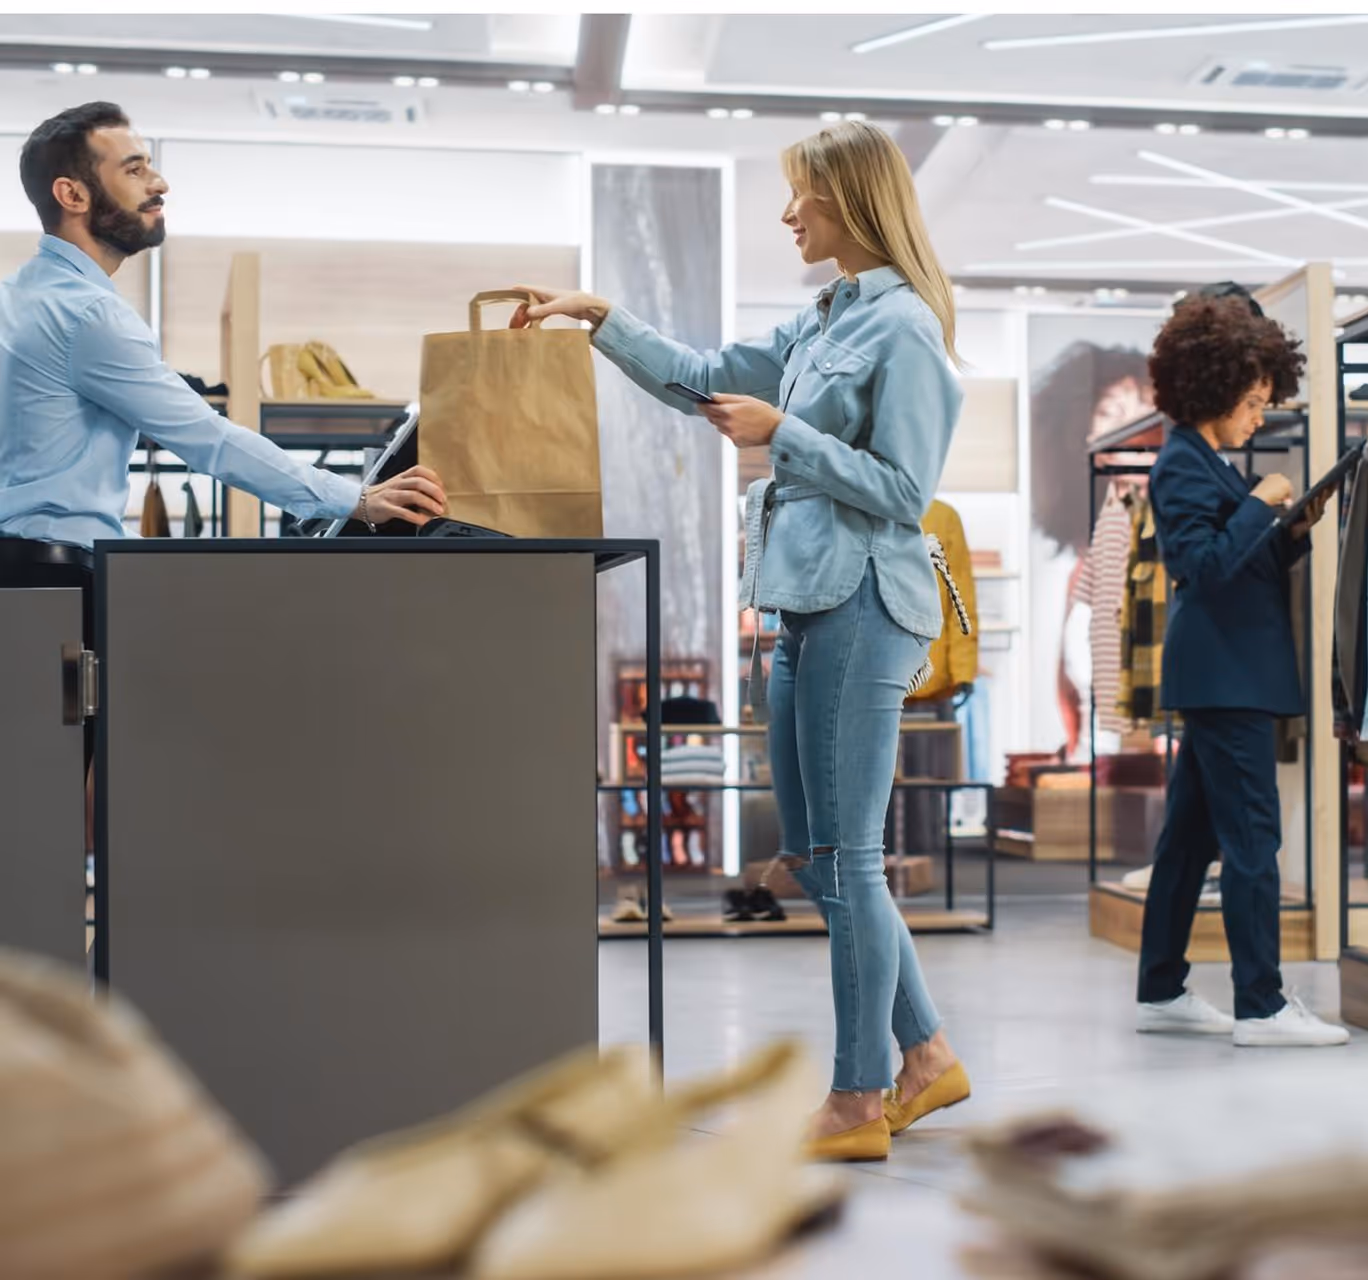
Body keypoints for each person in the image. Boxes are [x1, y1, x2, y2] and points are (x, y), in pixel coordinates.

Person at [511, 120, 971, 1160]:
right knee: (810, 855)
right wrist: (601, 318)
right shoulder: (824, 320)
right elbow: (706, 377)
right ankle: (928, 1051)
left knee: (848, 857)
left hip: (864, 600)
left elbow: (907, 495)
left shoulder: (903, 331)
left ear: (850, 200)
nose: (788, 213)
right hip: (806, 603)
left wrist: (786, 434)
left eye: (801, 195)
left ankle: (859, 1099)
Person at [0, 102, 447, 849]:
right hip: (49, 586)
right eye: (135, 168)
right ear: (71, 195)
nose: (159, 182)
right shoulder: (87, 316)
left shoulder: (19, 299)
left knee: (27, 833)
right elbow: (205, 437)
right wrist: (356, 499)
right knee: (43, 841)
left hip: (21, 579)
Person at [1135, 294, 1349, 1047]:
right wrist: (1262, 505)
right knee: (1253, 839)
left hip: (1227, 674)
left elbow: (1237, 559)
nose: (1260, 416)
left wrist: (1290, 531)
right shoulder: (1182, 464)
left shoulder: (1203, 460)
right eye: (1254, 402)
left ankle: (1160, 989)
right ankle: (1261, 1005)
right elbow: (1201, 567)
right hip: (1228, 677)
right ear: (1214, 388)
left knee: (1190, 841)